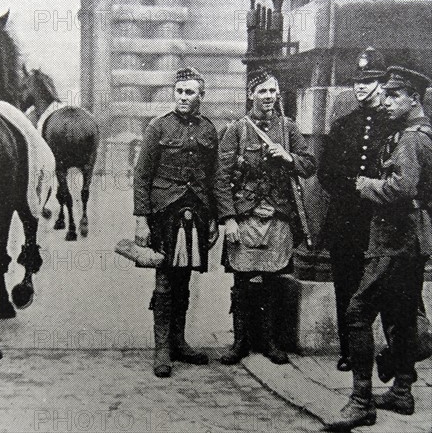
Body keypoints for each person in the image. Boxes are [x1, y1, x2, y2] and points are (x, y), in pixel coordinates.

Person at [326, 66, 432, 430]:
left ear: (414, 97)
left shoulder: (412, 139)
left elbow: (400, 189)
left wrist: (364, 184)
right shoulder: (420, 133)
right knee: (401, 315)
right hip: (412, 238)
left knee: (357, 313)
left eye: (394, 95)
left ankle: (360, 402)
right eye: (384, 94)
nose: (385, 102)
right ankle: (402, 392)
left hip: (395, 238)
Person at [214, 67, 315, 365]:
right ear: (250, 95)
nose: (268, 97)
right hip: (245, 218)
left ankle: (271, 342)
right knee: (242, 280)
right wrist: (229, 219)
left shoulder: (289, 128)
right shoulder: (236, 130)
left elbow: (309, 165)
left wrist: (288, 157)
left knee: (272, 281)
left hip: (278, 217)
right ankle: (240, 342)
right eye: (262, 91)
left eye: (273, 91)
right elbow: (221, 178)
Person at [133, 67, 219, 378]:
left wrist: (215, 219)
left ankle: (180, 342)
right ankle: (162, 350)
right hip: (164, 213)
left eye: (190, 92)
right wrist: (142, 220)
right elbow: (141, 176)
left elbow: (215, 178)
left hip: (196, 212)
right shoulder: (157, 128)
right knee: (165, 279)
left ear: (201, 96)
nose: (183, 98)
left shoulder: (209, 130)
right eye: (179, 92)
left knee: (185, 278)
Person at [317, 47, 394, 372]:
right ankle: (350, 351)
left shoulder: (394, 126)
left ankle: (395, 351)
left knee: (388, 288)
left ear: (382, 84)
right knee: (346, 287)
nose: (361, 87)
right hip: (346, 221)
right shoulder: (343, 126)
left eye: (370, 81)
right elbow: (326, 173)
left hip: (381, 222)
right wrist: (355, 187)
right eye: (358, 82)